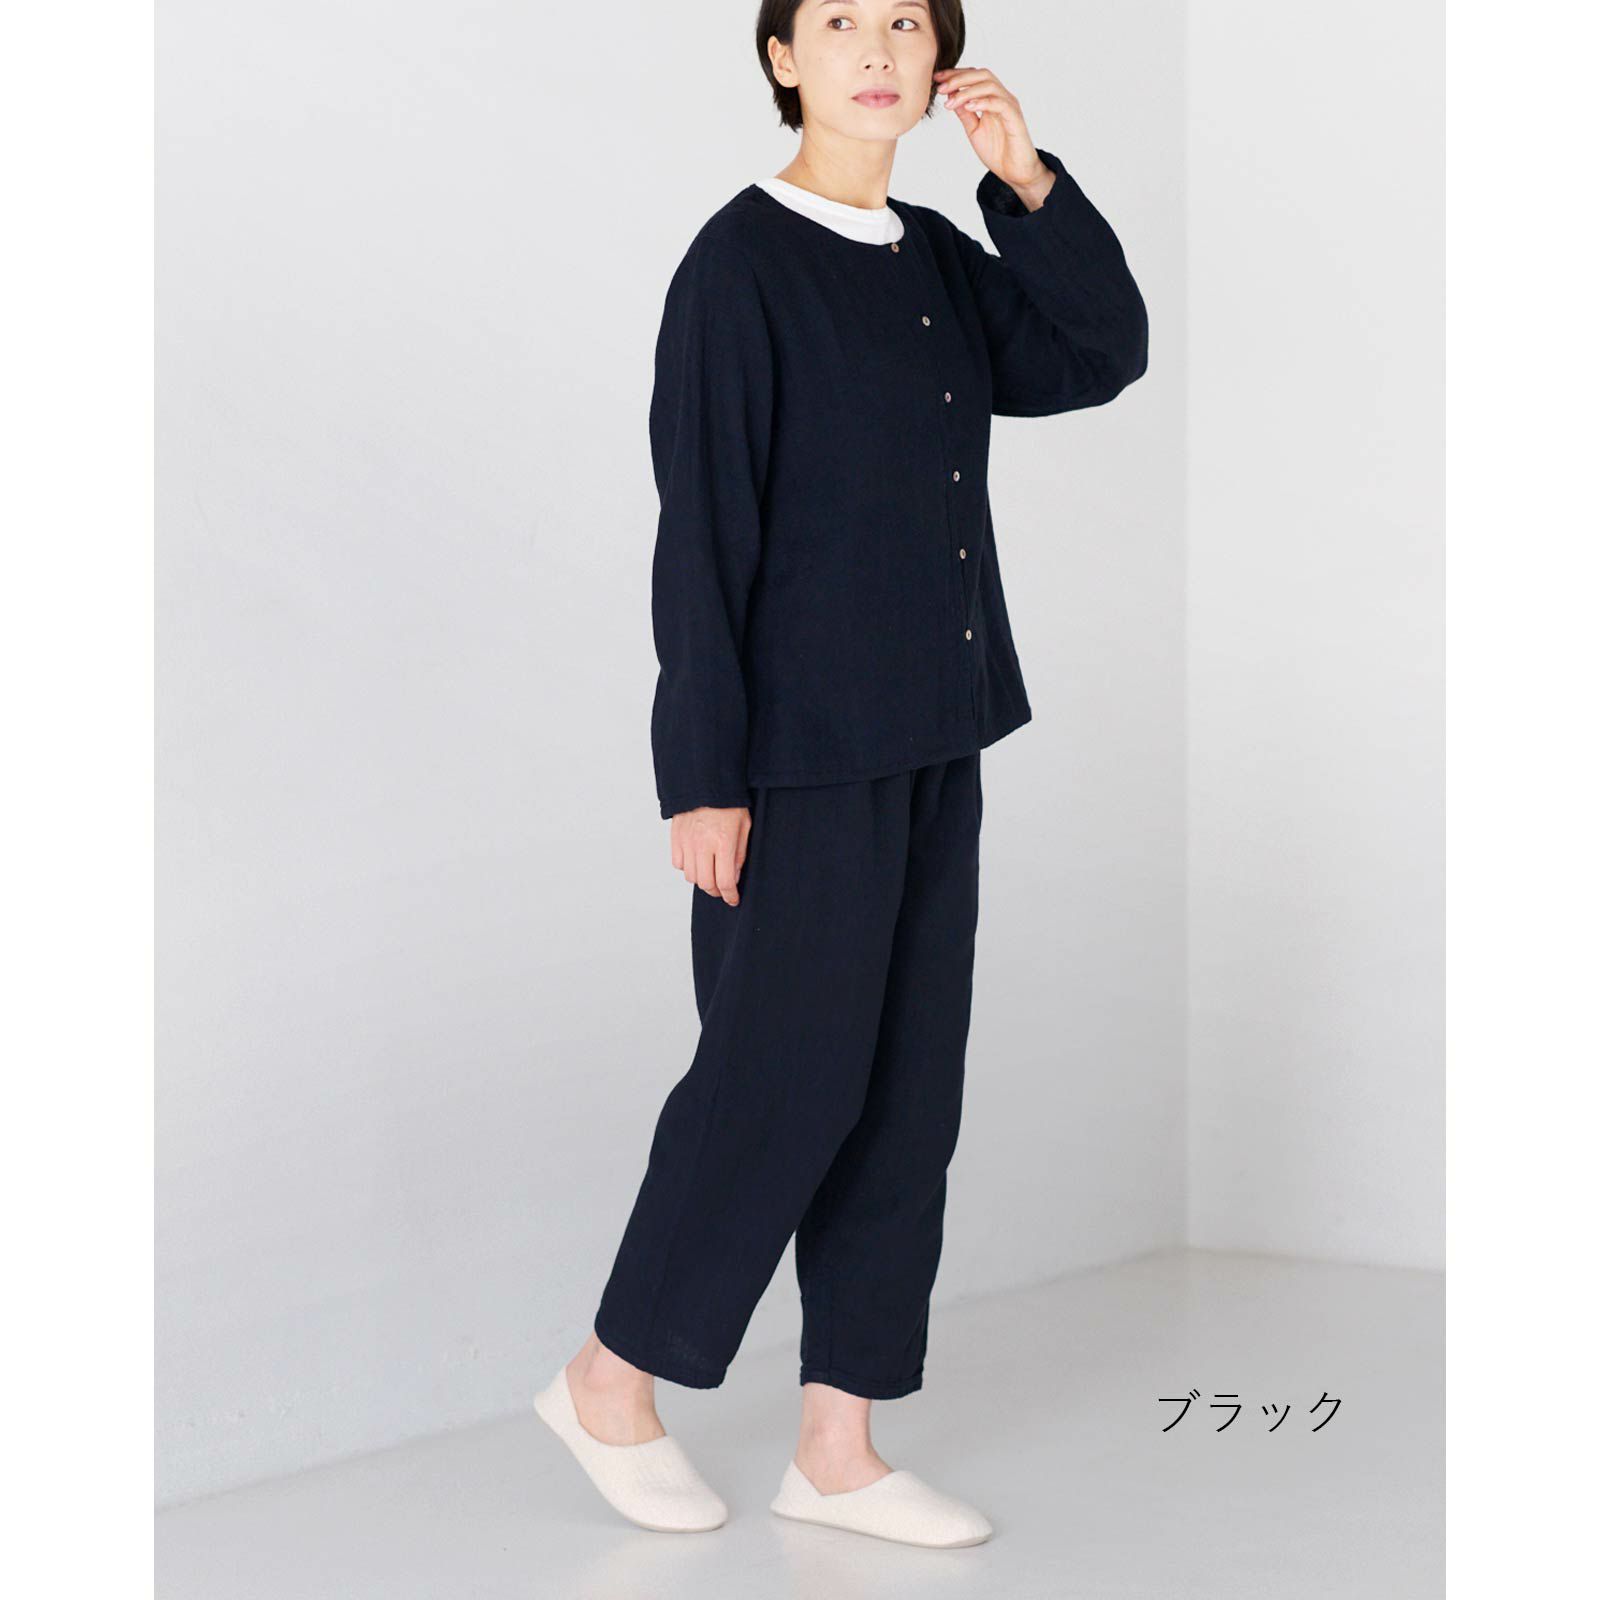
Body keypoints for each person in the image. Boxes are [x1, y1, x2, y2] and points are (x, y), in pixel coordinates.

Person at [534, 0, 1147, 1548]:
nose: (876, 47)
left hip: (938, 730)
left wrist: (1029, 188)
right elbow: (704, 531)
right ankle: (610, 1379)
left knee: (904, 1097)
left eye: (904, 24)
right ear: (782, 58)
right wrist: (702, 775)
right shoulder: (738, 266)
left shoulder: (937, 253)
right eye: (837, 20)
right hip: (794, 763)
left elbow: (1098, 353)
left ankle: (840, 1448)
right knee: (781, 1081)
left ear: (940, 62)